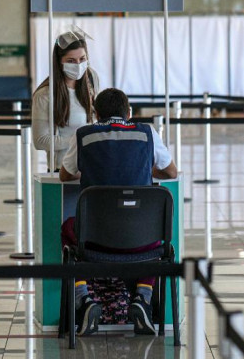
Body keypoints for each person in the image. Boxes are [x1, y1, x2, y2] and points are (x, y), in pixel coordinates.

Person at [59, 88, 177, 336]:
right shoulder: (147, 133)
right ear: (129, 113)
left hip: (94, 242)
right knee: (156, 231)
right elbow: (171, 173)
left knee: (69, 228)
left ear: (95, 113)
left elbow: (64, 175)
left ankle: (85, 300)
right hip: (143, 243)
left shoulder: (84, 135)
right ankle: (142, 298)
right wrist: (146, 170)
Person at [32, 29, 99, 170]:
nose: (78, 65)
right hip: (62, 170)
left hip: (92, 166)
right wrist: (81, 140)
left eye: (82, 59)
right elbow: (40, 141)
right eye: (71, 61)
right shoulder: (45, 95)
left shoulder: (91, 81)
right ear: (59, 62)